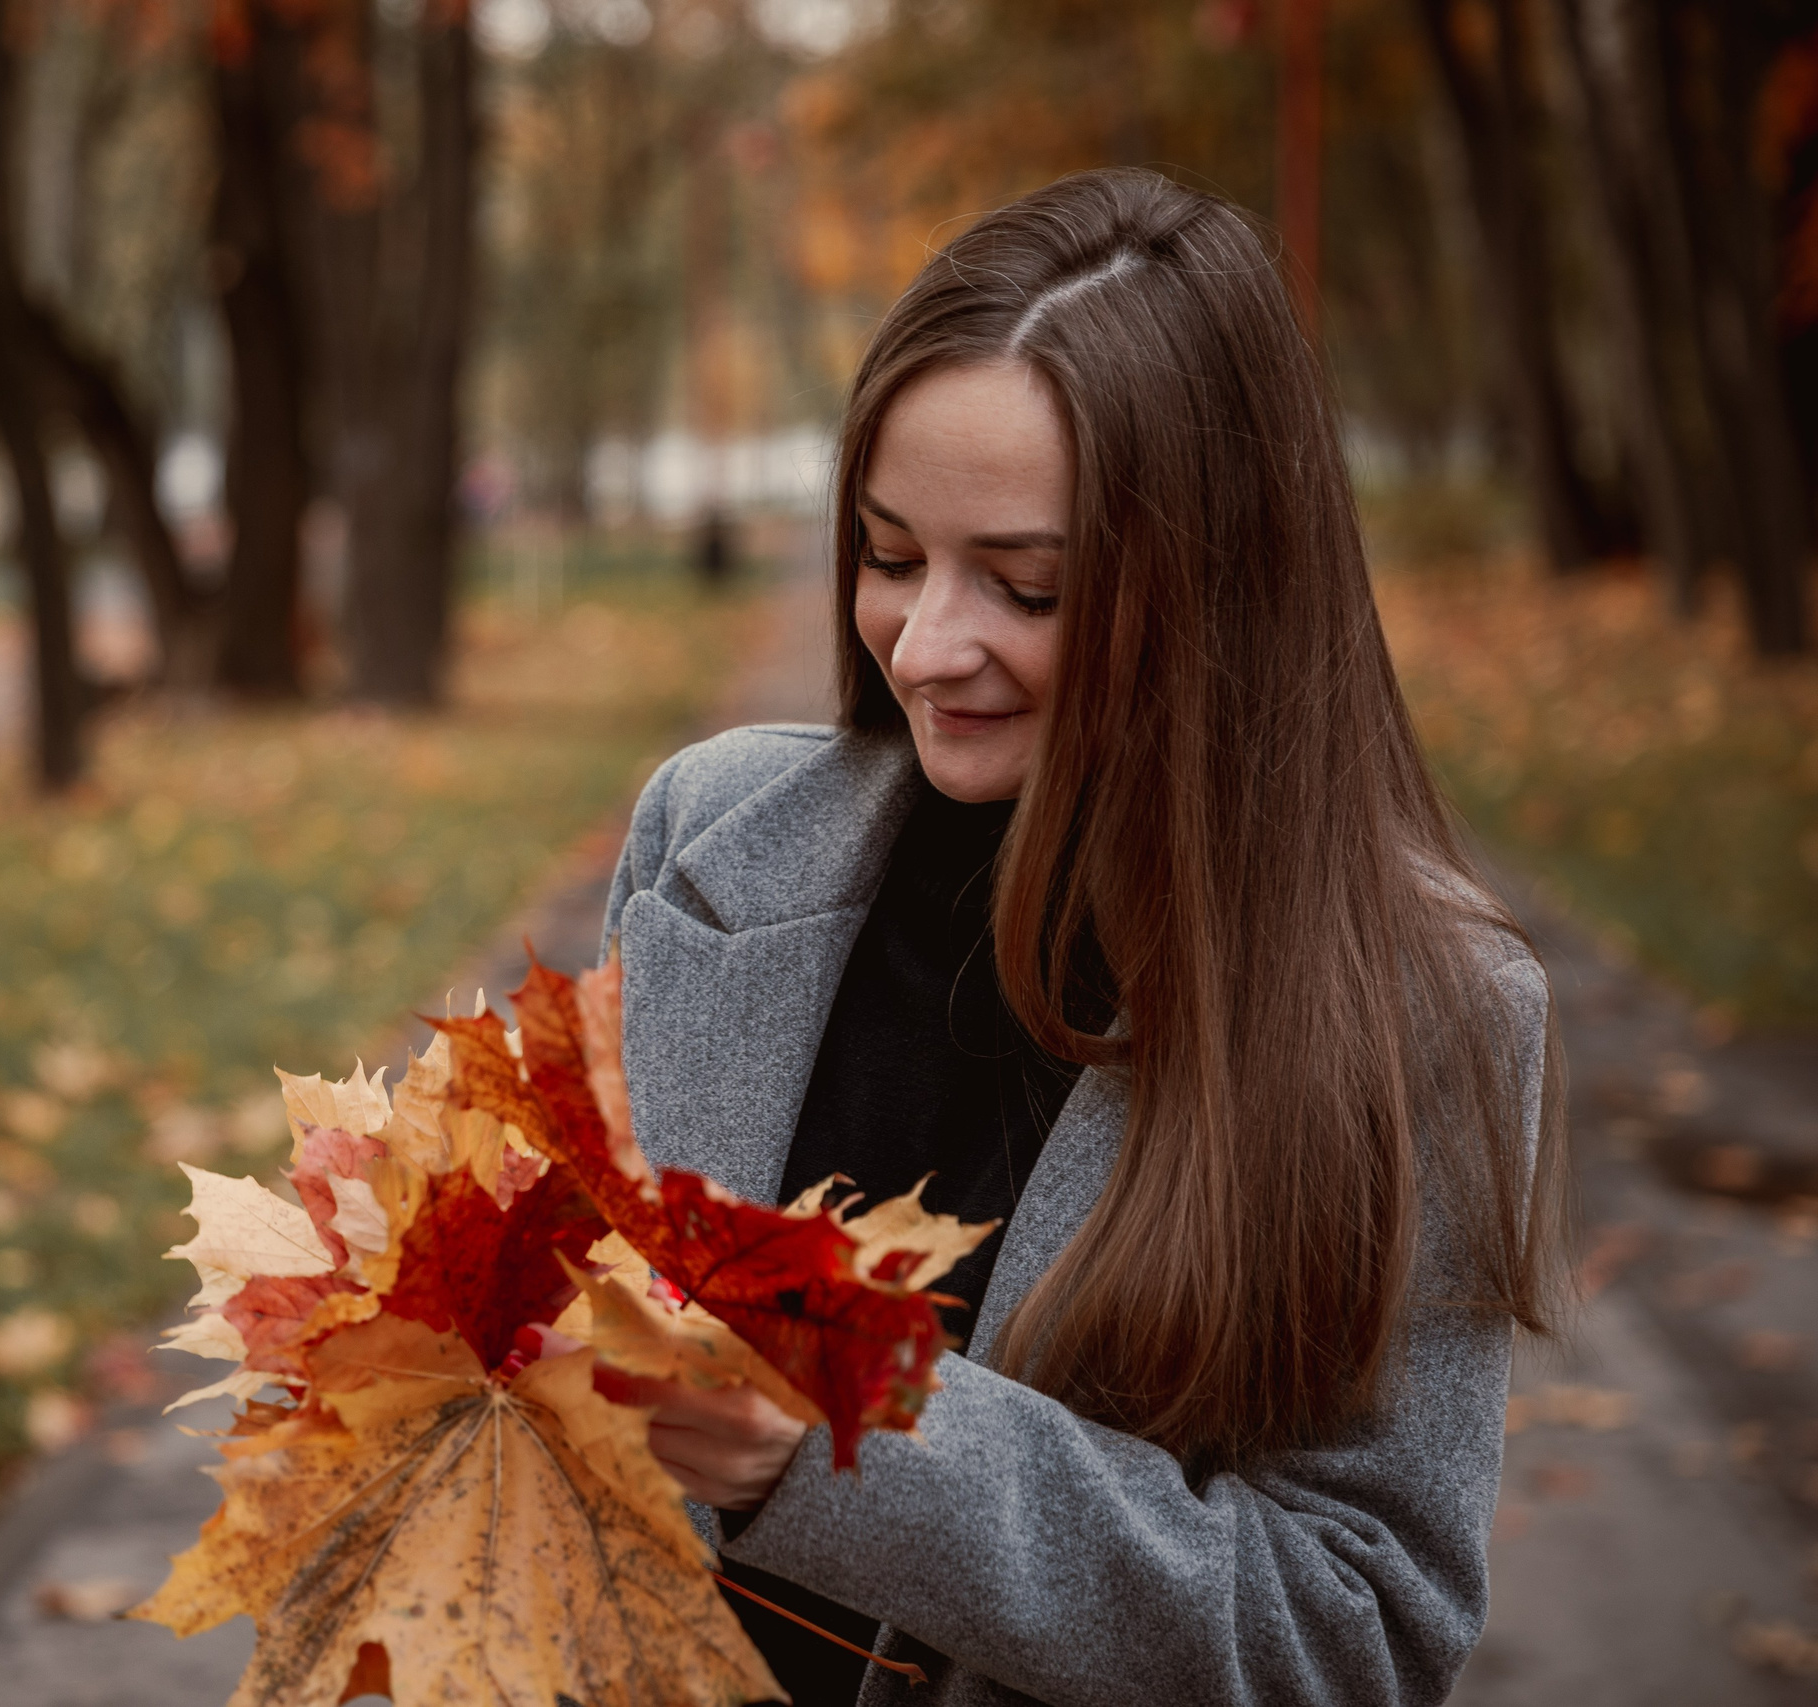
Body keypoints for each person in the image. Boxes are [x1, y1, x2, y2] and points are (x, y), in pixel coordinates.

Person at [593, 169, 1569, 1706]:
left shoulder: (1426, 1014)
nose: (926, 647)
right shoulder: (707, 836)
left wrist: (846, 1442)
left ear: (1217, 588)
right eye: (891, 556)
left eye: (1026, 586)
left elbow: (1357, 1632)